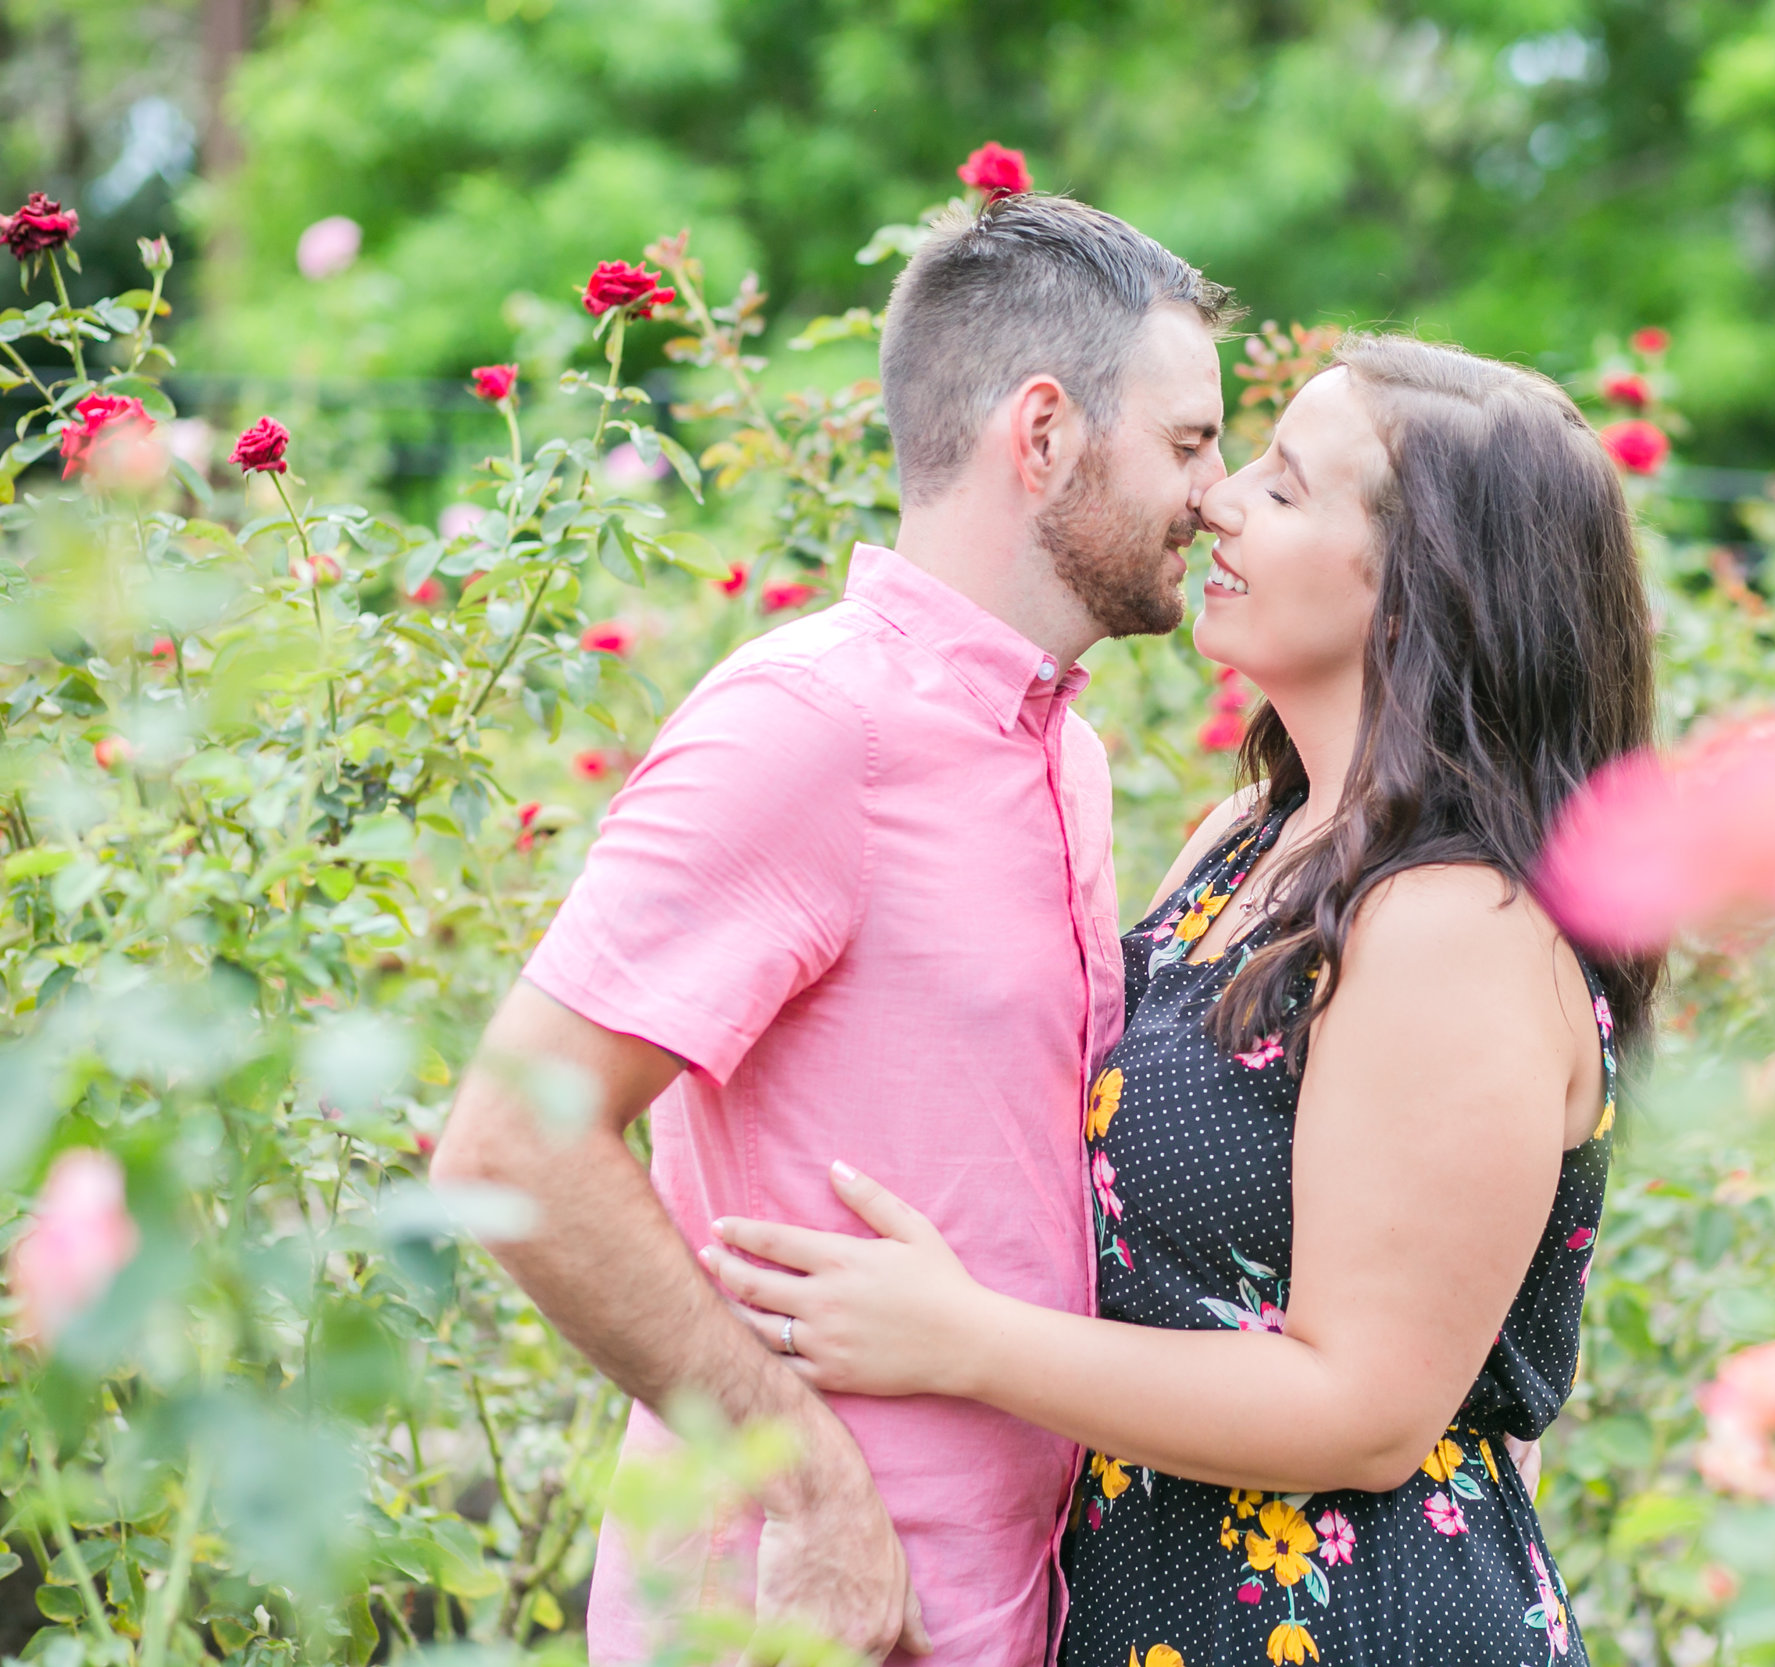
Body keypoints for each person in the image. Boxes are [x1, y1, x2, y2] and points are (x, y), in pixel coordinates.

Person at [703, 335, 1660, 1665]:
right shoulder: (1243, 843)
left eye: (1283, 485)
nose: (1220, 497)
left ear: (1414, 586)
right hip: (1162, 1604)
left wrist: (962, 1339)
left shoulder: (1455, 923)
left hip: (1349, 1628)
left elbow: (1367, 1408)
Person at [428, 192, 1238, 1664]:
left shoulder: (1065, 753)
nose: (1222, 491)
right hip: (793, 1615)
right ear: (1043, 435)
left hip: (1009, 1607)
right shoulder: (808, 725)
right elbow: (509, 1142)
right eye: (1190, 443)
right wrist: (809, 1490)